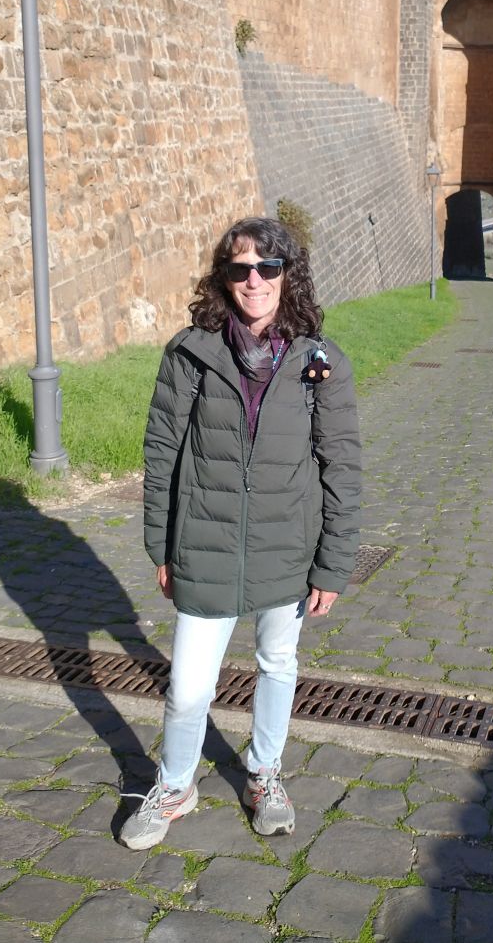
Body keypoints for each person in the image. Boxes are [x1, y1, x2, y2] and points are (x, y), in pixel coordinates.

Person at [120, 217, 361, 848]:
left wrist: (334, 565)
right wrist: (160, 546)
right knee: (188, 687)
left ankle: (264, 773)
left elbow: (341, 467)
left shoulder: (319, 362)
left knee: (277, 663)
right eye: (240, 268)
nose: (254, 281)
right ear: (224, 277)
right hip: (205, 543)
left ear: (287, 274)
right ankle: (176, 785)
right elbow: (162, 453)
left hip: (288, 547)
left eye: (267, 267)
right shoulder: (191, 354)